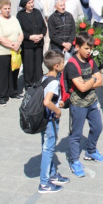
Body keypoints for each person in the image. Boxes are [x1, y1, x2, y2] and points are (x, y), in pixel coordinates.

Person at [66, 33, 103, 177]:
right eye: (86, 48)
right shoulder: (72, 64)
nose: (89, 51)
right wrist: (93, 78)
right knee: (76, 134)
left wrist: (90, 81)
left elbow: (100, 82)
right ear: (77, 47)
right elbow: (81, 88)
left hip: (92, 101)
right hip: (78, 104)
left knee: (97, 127)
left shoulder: (91, 61)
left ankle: (91, 151)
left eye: (90, 48)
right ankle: (74, 160)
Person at [38, 50, 69, 194]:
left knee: (46, 146)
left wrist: (59, 103)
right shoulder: (54, 81)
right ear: (56, 66)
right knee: (48, 149)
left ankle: (51, 174)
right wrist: (57, 111)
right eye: (63, 63)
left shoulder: (44, 78)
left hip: (43, 118)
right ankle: (44, 183)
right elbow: (46, 101)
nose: (64, 64)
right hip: (50, 119)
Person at [0, 0, 24, 106]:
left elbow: (20, 33)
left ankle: (13, 92)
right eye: (5, 9)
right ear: (0, 9)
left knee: (14, 72)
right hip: (2, 52)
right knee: (3, 74)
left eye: (9, 8)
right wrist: (12, 45)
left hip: (15, 51)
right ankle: (2, 96)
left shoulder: (14, 18)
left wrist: (18, 42)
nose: (7, 10)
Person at [17, 0, 47, 88]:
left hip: (39, 43)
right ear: (24, 4)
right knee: (28, 65)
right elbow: (19, 30)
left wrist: (41, 35)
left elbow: (43, 26)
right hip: (28, 44)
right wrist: (30, 37)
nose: (31, 4)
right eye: (29, 3)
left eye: (32, 2)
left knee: (38, 64)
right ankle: (29, 84)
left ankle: (38, 82)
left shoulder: (37, 12)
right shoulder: (20, 15)